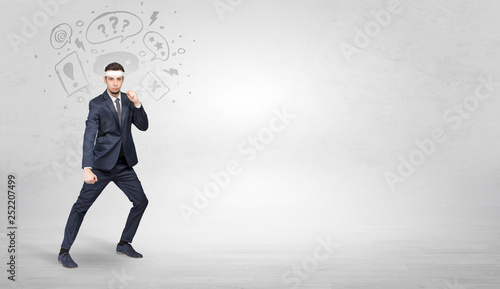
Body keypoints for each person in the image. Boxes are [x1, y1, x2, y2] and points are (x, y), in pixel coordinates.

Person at [58, 62, 149, 268]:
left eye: (119, 79)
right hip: (100, 166)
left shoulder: (128, 100)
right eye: (111, 78)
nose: (115, 82)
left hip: (124, 165)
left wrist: (137, 103)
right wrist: (87, 167)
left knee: (141, 201)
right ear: (105, 79)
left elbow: (143, 126)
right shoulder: (96, 104)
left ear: (123, 80)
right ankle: (64, 251)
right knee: (81, 207)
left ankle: (124, 243)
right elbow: (89, 136)